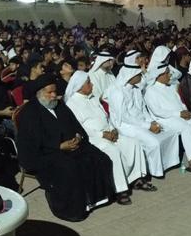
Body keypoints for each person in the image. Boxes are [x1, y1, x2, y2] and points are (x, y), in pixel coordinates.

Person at [15, 76, 118, 222]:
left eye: (55, 92)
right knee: (70, 167)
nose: (53, 96)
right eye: (49, 93)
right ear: (39, 93)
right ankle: (72, 210)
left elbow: (75, 125)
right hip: (45, 153)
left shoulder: (59, 105)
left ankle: (96, 198)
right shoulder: (29, 113)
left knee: (100, 158)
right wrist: (59, 146)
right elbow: (33, 142)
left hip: (70, 146)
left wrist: (78, 137)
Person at [64, 70, 150, 202]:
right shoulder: (72, 104)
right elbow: (79, 128)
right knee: (113, 150)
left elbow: (105, 116)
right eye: (88, 83)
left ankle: (136, 178)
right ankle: (120, 190)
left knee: (133, 142)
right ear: (80, 86)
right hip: (92, 138)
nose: (92, 85)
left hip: (108, 132)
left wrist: (112, 129)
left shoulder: (93, 97)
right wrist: (102, 134)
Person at [104, 63, 179, 180]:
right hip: (126, 126)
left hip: (141, 122)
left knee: (171, 132)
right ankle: (155, 171)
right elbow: (124, 117)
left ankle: (168, 163)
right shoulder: (117, 92)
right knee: (153, 142)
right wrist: (147, 126)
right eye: (139, 74)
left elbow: (143, 109)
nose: (141, 77)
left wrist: (152, 122)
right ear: (130, 76)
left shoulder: (136, 89)